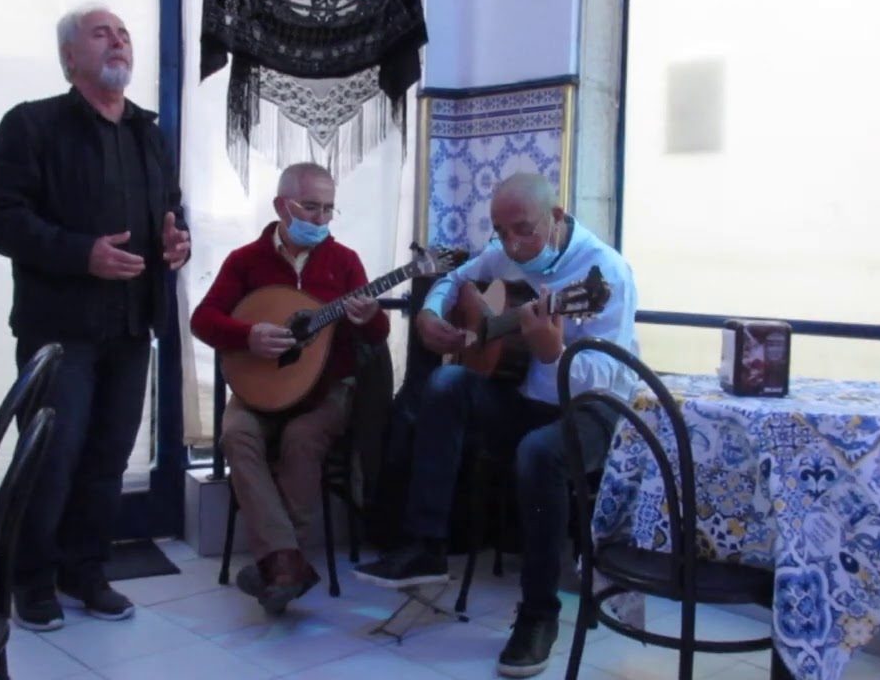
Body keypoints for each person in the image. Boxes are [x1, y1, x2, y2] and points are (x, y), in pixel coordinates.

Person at [352, 172, 639, 678]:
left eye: (521, 230)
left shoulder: (604, 271)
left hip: (594, 410)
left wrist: (555, 352)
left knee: (538, 452)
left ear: (555, 217)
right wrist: (430, 314)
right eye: (499, 231)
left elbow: (612, 374)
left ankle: (538, 616)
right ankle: (426, 547)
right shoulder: (506, 251)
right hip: (531, 402)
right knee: (445, 386)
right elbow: (455, 278)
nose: (509, 244)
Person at [0, 3, 191, 632]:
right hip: (59, 331)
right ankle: (31, 581)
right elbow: (3, 219)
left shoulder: (150, 135)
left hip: (132, 327)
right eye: (102, 34)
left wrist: (178, 246)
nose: (118, 41)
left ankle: (86, 571)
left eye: (124, 33)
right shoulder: (31, 125)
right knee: (52, 458)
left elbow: (171, 216)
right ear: (71, 58)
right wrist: (83, 254)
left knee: (108, 459)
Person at [190, 162, 389, 614]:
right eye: (312, 208)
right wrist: (248, 336)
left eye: (329, 210)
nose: (321, 219)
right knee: (237, 434)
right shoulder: (244, 261)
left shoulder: (345, 262)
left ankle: (280, 564)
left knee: (302, 439)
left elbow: (374, 336)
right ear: (283, 206)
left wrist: (369, 317)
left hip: (325, 391)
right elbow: (203, 319)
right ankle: (287, 564)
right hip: (259, 389)